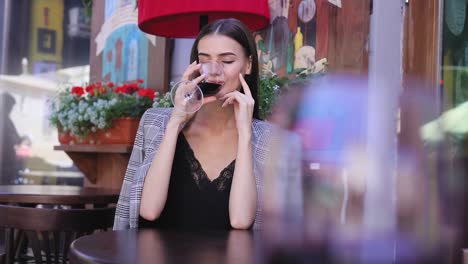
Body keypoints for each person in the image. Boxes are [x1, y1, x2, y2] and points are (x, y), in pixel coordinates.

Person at [113, 18, 302, 231]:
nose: (213, 71)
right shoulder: (154, 122)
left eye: (227, 61)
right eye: (205, 60)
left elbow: (241, 221)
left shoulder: (273, 141)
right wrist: (176, 121)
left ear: (248, 64)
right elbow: (149, 210)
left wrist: (245, 133)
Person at [0, 92, 22, 185]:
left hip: (8, 164)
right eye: (10, 106)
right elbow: (13, 139)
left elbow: (16, 138)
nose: (11, 110)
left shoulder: (7, 120)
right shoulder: (4, 120)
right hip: (4, 165)